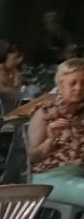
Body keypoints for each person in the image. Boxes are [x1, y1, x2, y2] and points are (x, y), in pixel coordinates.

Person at [28, 58, 84, 205]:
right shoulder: (45, 112)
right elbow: (33, 157)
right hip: (48, 178)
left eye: (83, 83)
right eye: (73, 83)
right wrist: (50, 139)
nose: (79, 88)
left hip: (79, 175)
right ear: (60, 85)